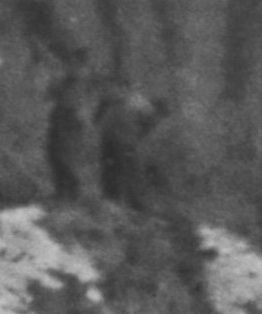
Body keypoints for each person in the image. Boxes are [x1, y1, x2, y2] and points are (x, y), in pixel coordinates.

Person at [97, 84, 170, 209]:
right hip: (122, 136)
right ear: (159, 110)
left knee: (111, 168)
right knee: (131, 169)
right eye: (161, 116)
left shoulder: (137, 101)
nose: (159, 120)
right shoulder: (149, 111)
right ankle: (135, 203)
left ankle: (110, 200)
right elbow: (140, 136)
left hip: (107, 133)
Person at [46, 63, 92, 200]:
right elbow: (49, 95)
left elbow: (81, 118)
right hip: (58, 126)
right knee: (55, 158)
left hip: (70, 127)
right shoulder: (61, 85)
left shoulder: (79, 92)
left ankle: (72, 194)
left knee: (69, 160)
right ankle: (61, 192)